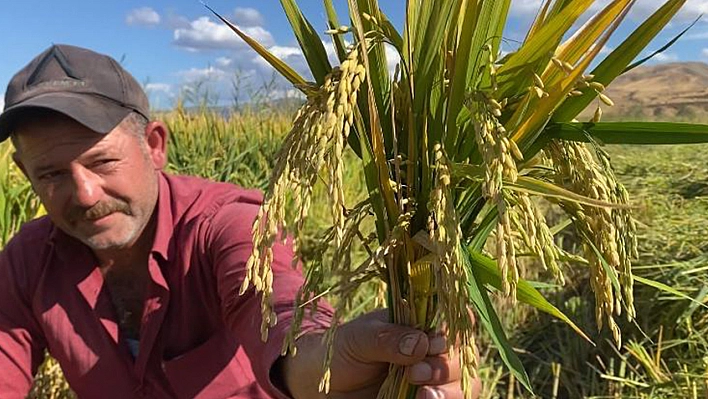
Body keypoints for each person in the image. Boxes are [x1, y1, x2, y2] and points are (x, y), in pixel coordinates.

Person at [0, 44, 480, 399]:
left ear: (154, 145)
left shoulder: (225, 225)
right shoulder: (28, 261)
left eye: (103, 162)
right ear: (24, 173)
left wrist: (343, 360)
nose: (84, 194)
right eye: (52, 174)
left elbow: (281, 312)